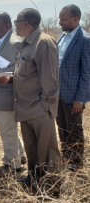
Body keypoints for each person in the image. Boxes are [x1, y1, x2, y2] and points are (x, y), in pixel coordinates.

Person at [11, 8, 61, 183]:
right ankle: (34, 180)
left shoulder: (44, 43)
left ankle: (51, 187)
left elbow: (50, 80)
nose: (14, 25)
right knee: (32, 150)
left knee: (47, 151)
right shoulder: (27, 43)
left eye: (16, 21)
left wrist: (46, 107)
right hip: (26, 108)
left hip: (39, 109)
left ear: (26, 23)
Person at [0, 12, 25, 171]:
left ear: (7, 26)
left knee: (7, 130)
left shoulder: (14, 42)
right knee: (8, 129)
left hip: (6, 94)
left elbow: (16, 67)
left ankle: (12, 164)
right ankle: (20, 156)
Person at [57, 4, 90, 172]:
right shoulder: (62, 36)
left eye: (63, 19)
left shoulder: (85, 40)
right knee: (62, 127)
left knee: (74, 130)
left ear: (75, 19)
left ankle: (76, 164)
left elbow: (87, 72)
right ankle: (66, 157)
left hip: (74, 97)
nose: (60, 22)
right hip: (58, 94)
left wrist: (81, 98)